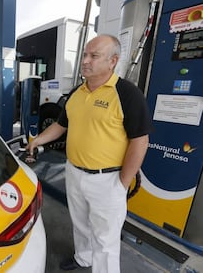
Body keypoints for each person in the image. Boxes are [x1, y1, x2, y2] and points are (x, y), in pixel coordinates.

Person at [27, 34, 153, 273]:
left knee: (106, 238)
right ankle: (84, 258)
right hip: (74, 172)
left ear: (112, 61)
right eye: (85, 55)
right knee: (81, 225)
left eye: (94, 56)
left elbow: (140, 141)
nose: (85, 61)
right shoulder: (77, 92)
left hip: (108, 180)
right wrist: (37, 140)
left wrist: (122, 183)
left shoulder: (126, 94)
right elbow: (61, 125)